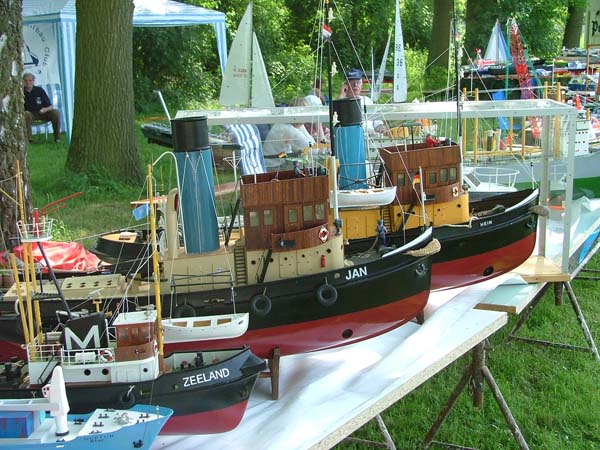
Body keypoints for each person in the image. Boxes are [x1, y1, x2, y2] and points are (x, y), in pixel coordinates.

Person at [262, 97, 316, 169]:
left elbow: (312, 146)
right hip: (273, 167)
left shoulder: (287, 123)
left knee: (308, 164)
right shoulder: (287, 128)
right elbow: (313, 150)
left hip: (279, 161)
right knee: (311, 166)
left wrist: (301, 126)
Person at [338, 68, 390, 137]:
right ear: (345, 85)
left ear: (361, 84)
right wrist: (341, 95)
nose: (355, 85)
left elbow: (376, 121)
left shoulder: (367, 100)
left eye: (358, 82)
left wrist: (381, 126)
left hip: (370, 137)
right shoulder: (341, 101)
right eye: (352, 82)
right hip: (351, 137)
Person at [23, 73, 61, 143]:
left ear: (33, 81)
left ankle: (57, 138)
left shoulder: (39, 90)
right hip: (30, 114)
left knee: (56, 112)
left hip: (42, 113)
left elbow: (50, 106)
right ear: (23, 82)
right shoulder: (20, 92)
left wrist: (45, 109)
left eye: (30, 80)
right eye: (26, 80)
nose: (28, 82)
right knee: (26, 114)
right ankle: (29, 139)